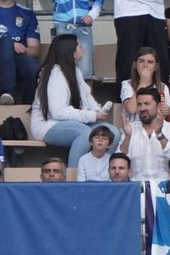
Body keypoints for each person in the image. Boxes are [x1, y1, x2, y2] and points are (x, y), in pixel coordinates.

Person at [31, 34, 115, 169]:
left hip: (74, 121)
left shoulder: (75, 70)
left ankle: (100, 173)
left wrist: (96, 110)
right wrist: (91, 115)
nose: (82, 49)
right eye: (79, 46)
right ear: (72, 52)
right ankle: (74, 176)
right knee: (84, 133)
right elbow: (58, 112)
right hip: (48, 124)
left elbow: (87, 96)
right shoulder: (55, 75)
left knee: (113, 133)